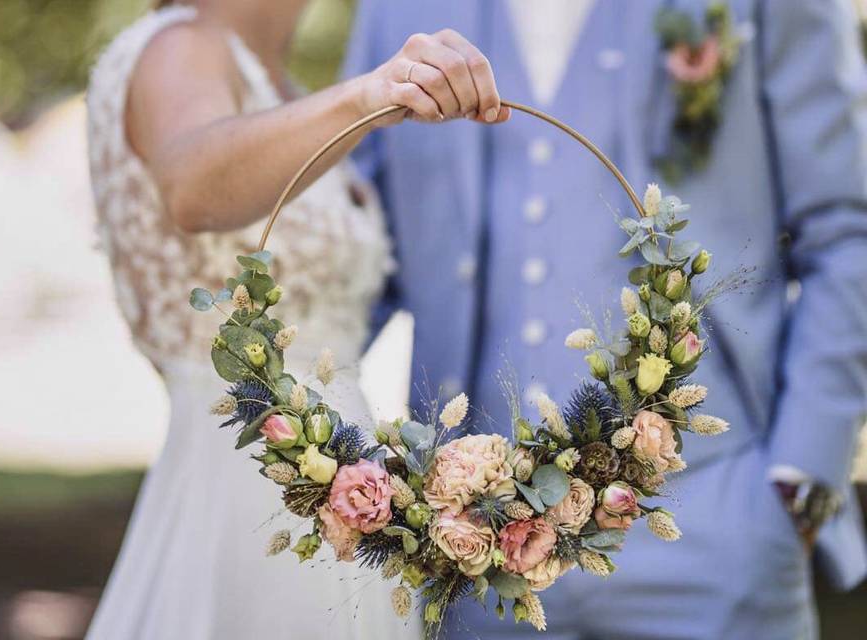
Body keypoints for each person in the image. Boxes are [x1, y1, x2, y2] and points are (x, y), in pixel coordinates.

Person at [345, 1, 867, 638]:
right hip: (471, 553)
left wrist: (799, 482)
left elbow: (848, 233)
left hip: (720, 522)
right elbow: (356, 248)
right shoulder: (393, 10)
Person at [83, 0, 509, 638]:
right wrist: (367, 94)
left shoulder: (281, 88)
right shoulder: (180, 46)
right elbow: (193, 187)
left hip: (347, 492)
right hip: (252, 492)